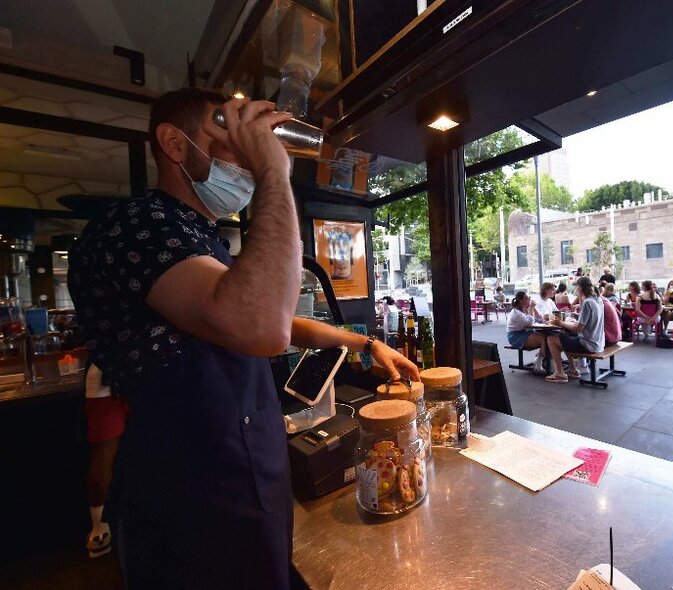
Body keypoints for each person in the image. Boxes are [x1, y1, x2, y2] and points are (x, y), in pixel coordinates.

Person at [68, 89, 418, 590]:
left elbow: (280, 319)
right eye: (233, 138)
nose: (248, 159)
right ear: (174, 143)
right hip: (190, 499)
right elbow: (260, 324)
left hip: (244, 482)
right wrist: (276, 170)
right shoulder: (135, 225)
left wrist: (363, 344)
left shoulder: (198, 236)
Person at [83, 364, 127, 558]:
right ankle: (99, 527)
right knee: (104, 455)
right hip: (107, 379)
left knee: (105, 454)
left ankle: (101, 528)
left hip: (135, 377)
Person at [506, 291, 573, 383]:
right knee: (544, 338)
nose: (529, 299)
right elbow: (530, 322)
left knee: (550, 336)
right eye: (526, 298)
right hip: (516, 336)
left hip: (526, 332)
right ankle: (540, 362)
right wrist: (531, 309)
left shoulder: (524, 309)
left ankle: (547, 361)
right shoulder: (517, 313)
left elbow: (539, 318)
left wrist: (535, 310)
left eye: (529, 297)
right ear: (520, 301)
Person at [551, 277, 606, 359]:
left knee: (551, 339)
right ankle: (578, 366)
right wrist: (577, 315)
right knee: (565, 335)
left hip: (588, 345)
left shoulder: (587, 302)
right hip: (599, 343)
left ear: (580, 287)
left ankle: (561, 371)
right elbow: (592, 319)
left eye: (576, 287)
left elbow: (579, 328)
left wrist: (561, 323)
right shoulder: (598, 300)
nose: (576, 289)